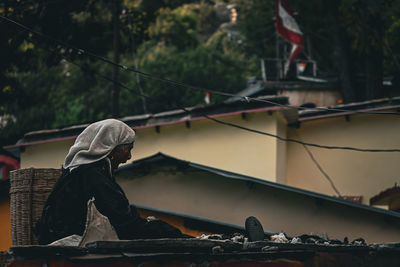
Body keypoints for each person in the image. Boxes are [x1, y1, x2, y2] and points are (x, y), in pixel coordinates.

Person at [35, 119, 184, 245]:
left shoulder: (78, 173)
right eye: (128, 149)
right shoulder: (93, 176)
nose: (129, 157)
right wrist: (166, 231)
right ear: (112, 149)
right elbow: (124, 222)